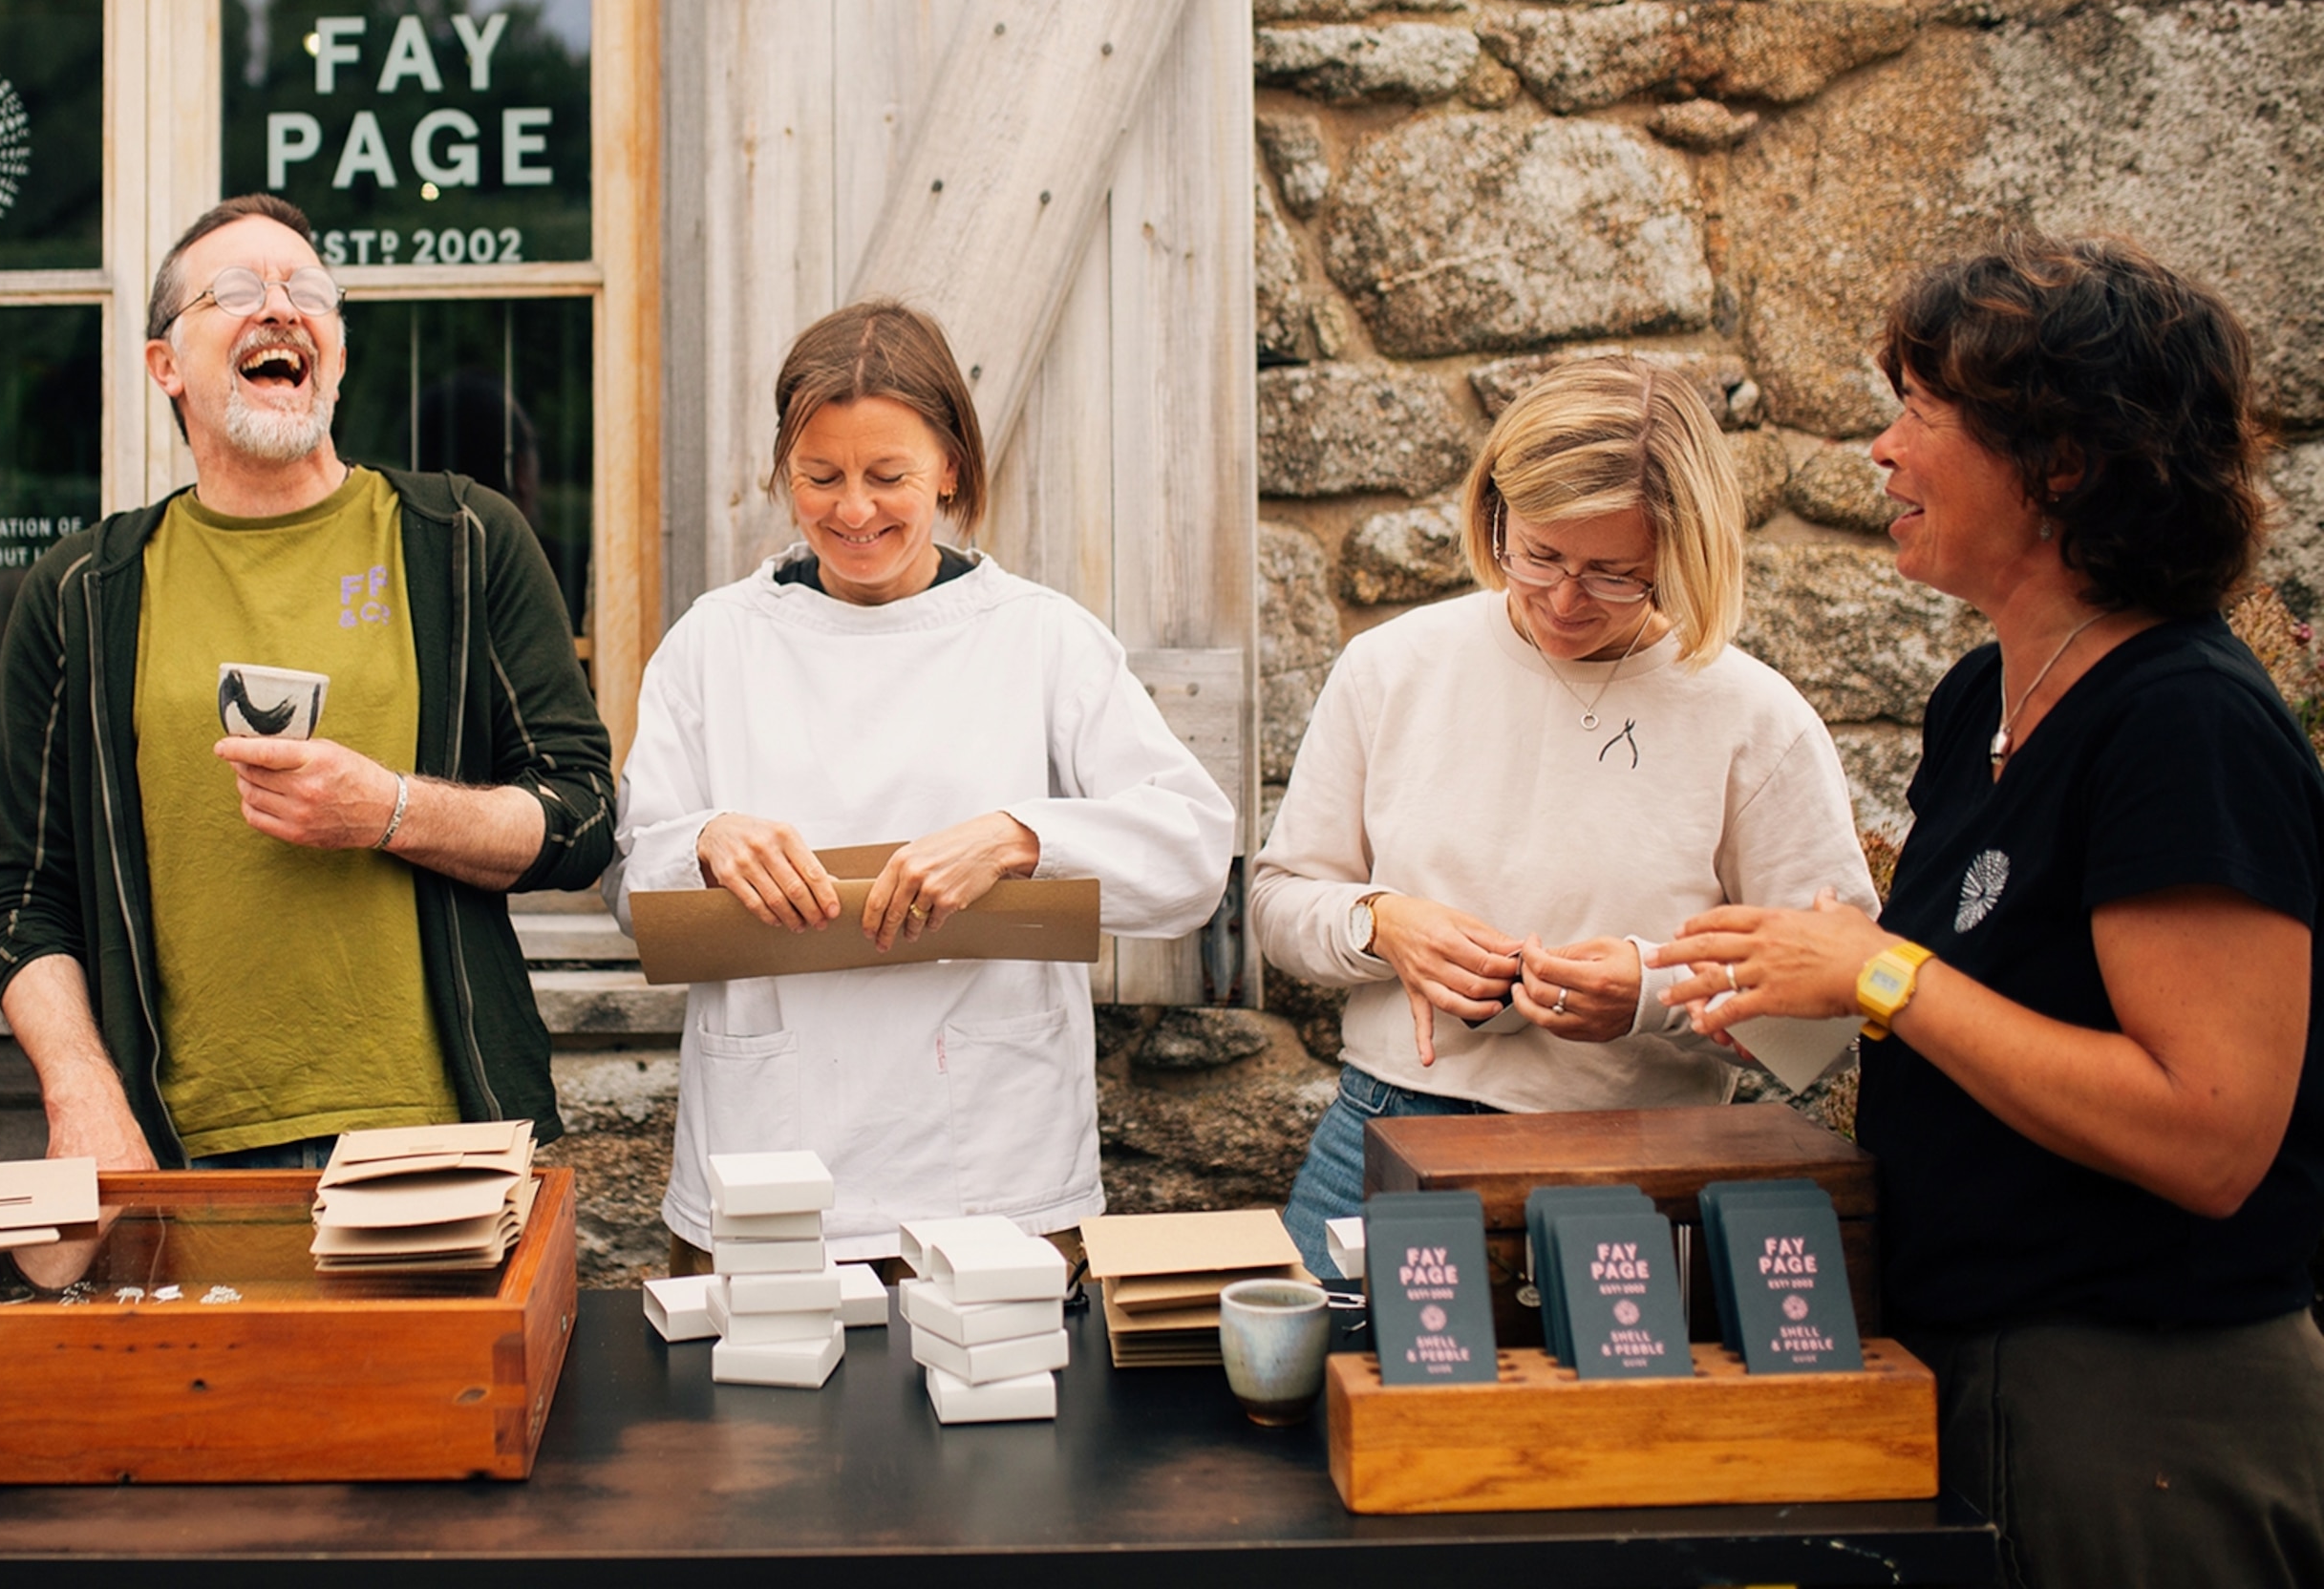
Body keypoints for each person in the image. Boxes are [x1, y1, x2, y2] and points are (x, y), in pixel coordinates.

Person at [1659, 239, 2324, 1589]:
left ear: (2063, 464)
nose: (1882, 451)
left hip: (2141, 1407)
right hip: (1972, 1362)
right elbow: (1987, 1014)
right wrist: (1793, 1004)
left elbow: (2211, 1136)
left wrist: (1882, 974)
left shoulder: (2183, 725)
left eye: (1921, 413)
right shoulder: (1983, 702)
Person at [0, 194, 612, 1168]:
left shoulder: (460, 540)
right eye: (234, 290)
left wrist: (391, 809)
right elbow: (23, 893)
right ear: (164, 364)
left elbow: (582, 814)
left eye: (306, 289)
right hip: (180, 1148)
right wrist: (81, 1092)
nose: (279, 307)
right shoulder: (82, 591)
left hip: (441, 1134)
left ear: (338, 352)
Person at [604, 299, 1234, 1266]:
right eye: (821, 477)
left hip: (993, 1173)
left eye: (887, 475)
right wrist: (700, 840)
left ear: (951, 465)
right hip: (767, 1160)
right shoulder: (713, 642)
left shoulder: (1039, 635)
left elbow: (1190, 855)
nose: (853, 510)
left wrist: (1020, 835)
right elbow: (629, 887)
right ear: (786, 472)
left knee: (1003, 1417)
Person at [1251, 357, 1877, 1265]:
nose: (1562, 599)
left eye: (1614, 573)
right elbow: (1278, 901)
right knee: (1325, 1402)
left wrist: (1650, 995)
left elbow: (1827, 1022)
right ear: (1494, 513)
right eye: (1537, 554)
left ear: (1683, 553)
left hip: (1642, 1160)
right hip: (1388, 1131)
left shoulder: (1756, 721)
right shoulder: (1394, 667)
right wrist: (1381, 924)